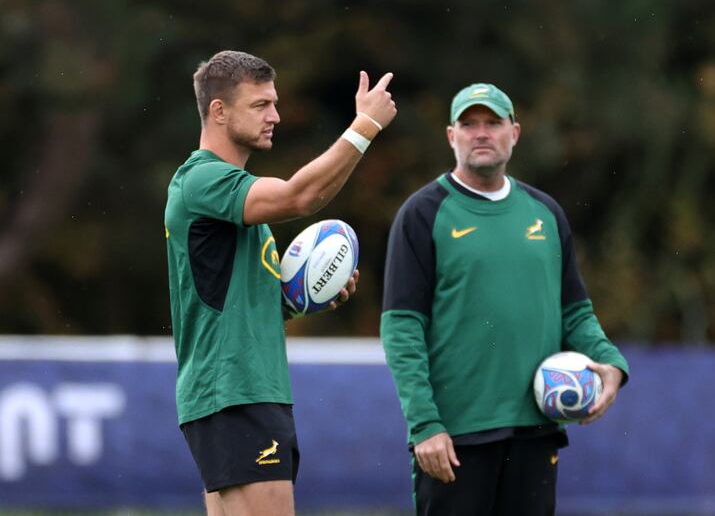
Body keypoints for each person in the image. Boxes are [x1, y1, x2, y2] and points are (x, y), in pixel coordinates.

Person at [164, 50, 396, 516]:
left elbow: (229, 298)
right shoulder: (203, 180)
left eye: (274, 102)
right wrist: (364, 127)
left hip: (237, 392)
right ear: (219, 111)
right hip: (236, 391)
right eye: (260, 105)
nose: (276, 115)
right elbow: (300, 195)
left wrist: (297, 300)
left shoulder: (228, 197)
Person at [380, 83, 629, 515]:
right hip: (455, 439)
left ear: (514, 133)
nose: (481, 133)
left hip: (536, 431)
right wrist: (425, 425)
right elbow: (401, 328)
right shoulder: (422, 213)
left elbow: (575, 312)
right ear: (450, 136)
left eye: (492, 123)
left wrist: (612, 365)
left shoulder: (545, 213)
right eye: (468, 123)